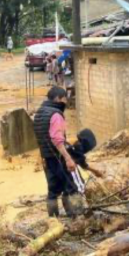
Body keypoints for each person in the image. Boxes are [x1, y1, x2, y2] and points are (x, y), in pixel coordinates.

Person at [33, 87, 93, 217]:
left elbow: (42, 137)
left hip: (47, 158)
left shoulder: (39, 113)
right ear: (59, 98)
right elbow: (56, 139)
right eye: (65, 99)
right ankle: (77, 217)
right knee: (72, 187)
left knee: (53, 190)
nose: (66, 102)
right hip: (59, 156)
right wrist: (68, 158)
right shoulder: (55, 115)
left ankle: (53, 219)